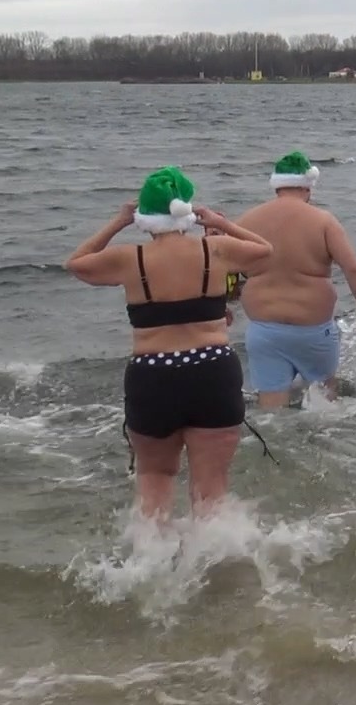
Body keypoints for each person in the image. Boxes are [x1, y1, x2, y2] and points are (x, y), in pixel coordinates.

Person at [63, 167, 272, 520]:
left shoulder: (130, 258)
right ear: (187, 212)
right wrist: (220, 222)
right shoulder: (216, 249)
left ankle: (151, 567)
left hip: (153, 375)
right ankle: (214, 565)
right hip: (212, 370)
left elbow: (77, 264)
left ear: (144, 216)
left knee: (154, 479)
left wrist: (118, 222)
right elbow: (265, 252)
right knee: (212, 488)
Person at [235, 152, 356, 410]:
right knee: (324, 405)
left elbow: (225, 271)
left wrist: (222, 307)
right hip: (312, 331)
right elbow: (353, 269)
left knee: (271, 410)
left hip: (264, 331)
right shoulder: (323, 221)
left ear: (277, 184)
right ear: (307, 185)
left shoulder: (246, 221)